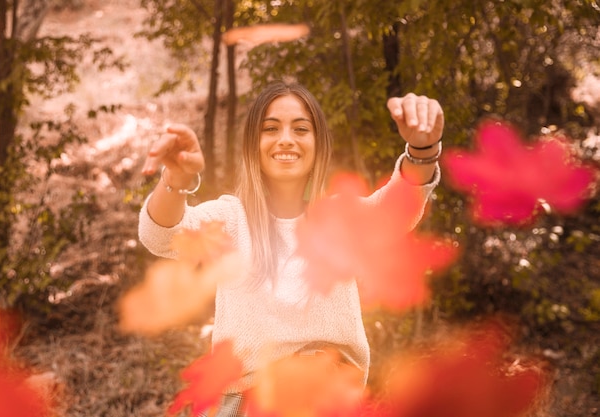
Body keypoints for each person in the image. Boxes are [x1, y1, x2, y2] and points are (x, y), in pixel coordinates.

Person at [138, 81, 445, 416]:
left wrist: (422, 150)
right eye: (271, 128)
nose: (286, 139)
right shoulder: (230, 219)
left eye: (301, 128)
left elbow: (396, 211)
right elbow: (161, 236)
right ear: (253, 145)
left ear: (318, 144)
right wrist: (176, 181)